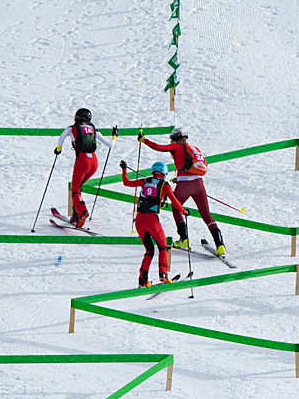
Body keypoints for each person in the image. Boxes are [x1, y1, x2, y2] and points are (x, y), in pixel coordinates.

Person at [137, 127, 227, 256]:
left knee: (176, 208)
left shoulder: (176, 147)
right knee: (206, 215)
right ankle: (220, 245)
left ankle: (184, 239)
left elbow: (158, 147)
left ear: (174, 139)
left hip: (185, 185)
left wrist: (144, 139)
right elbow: (189, 167)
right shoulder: (193, 148)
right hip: (199, 184)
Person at [120, 160, 188, 287]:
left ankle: (143, 280)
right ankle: (163, 275)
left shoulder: (144, 181)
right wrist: (184, 211)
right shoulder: (165, 185)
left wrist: (124, 170)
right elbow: (175, 201)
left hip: (139, 220)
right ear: (164, 173)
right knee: (163, 246)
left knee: (149, 250)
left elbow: (126, 182)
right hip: (152, 220)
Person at [54, 108, 117, 228]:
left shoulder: (72, 127)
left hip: (82, 161)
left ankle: (82, 212)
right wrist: (115, 136)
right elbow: (110, 144)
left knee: (75, 190)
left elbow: (61, 138)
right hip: (94, 162)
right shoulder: (93, 129)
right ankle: (75, 215)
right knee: (78, 188)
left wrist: (58, 149)